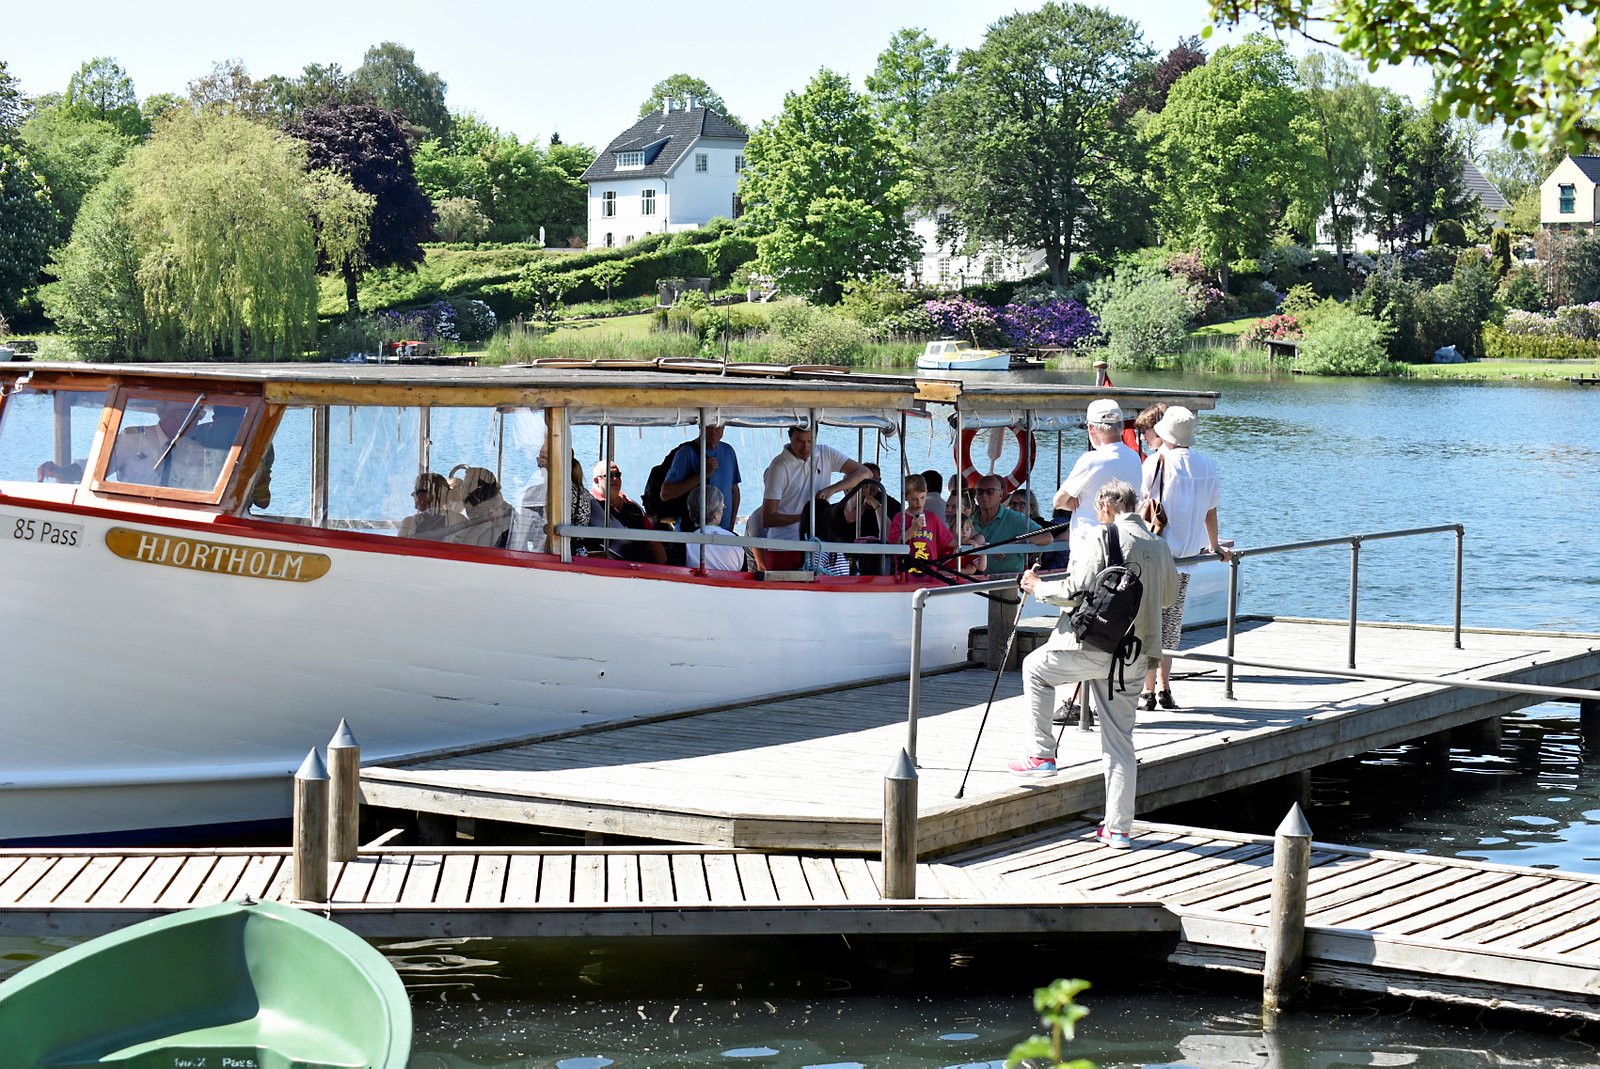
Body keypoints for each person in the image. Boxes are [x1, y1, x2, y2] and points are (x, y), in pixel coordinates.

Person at [1009, 479, 1179, 850]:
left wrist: (1037, 587)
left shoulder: (1104, 535)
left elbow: (1074, 591)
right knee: (1120, 743)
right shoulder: (1159, 543)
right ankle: (1118, 830)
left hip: (1094, 646)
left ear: (1105, 505)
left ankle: (1041, 754)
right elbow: (1168, 597)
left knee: (1035, 668)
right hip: (1134, 657)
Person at [1139, 405, 1228, 712]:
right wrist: (1215, 547)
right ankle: (1164, 687)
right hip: (1188, 558)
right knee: (1171, 624)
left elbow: (1142, 504)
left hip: (1156, 554)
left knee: (1150, 623)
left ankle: (1147, 691)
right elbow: (1210, 513)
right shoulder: (1207, 465)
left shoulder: (1156, 462)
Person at [761, 426, 870, 569]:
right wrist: (804, 518)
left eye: (810, 441)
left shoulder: (826, 454)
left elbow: (865, 472)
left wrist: (833, 489)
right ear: (789, 437)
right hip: (784, 546)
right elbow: (768, 518)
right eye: (799, 441)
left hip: (817, 546)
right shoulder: (779, 466)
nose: (805, 447)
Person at [1054, 399, 1144, 556]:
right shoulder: (1135, 458)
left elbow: (1058, 501)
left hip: (1090, 546)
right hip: (1125, 545)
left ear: (1091, 428)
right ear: (1121, 426)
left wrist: (1071, 502)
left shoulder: (1090, 460)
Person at [510, 443, 591, 552]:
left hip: (545, 556)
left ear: (557, 462)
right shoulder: (584, 493)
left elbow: (520, 539)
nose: (538, 464)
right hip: (576, 556)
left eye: (542, 459)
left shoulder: (535, 494)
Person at [659, 423, 741, 529]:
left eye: (717, 424)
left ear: (723, 427)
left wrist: (731, 525)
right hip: (691, 533)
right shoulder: (686, 453)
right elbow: (665, 493)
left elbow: (735, 491)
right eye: (709, 425)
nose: (713, 429)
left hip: (723, 533)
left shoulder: (728, 451)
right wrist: (702, 475)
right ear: (700, 426)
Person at [586, 460, 666, 564]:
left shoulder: (634, 507)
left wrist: (663, 569)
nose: (615, 479)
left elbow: (654, 543)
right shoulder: (588, 505)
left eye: (618, 475)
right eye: (609, 475)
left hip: (642, 569)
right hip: (606, 570)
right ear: (596, 480)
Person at [970, 474, 1052, 574]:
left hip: (1009, 579)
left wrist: (1014, 543)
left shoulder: (1015, 518)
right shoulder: (969, 521)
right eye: (979, 492)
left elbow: (1047, 537)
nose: (984, 495)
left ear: (1000, 494)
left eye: (990, 491)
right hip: (974, 579)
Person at [887, 473, 955, 572]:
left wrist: (969, 541)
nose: (919, 503)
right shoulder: (900, 518)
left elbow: (948, 541)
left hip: (929, 573)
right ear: (905, 497)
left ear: (926, 492)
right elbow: (895, 545)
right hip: (906, 573)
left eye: (922, 497)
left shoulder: (932, 518)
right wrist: (912, 529)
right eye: (914, 499)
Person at [447, 465, 514, 548]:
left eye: (465, 487)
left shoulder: (492, 526)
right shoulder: (507, 513)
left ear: (479, 493)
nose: (462, 492)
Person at [685, 485, 745, 571]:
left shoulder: (684, 541)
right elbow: (744, 574)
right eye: (722, 508)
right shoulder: (736, 540)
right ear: (716, 514)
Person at [398, 472, 463, 541]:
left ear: (433, 495)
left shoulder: (409, 524)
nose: (413, 494)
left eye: (418, 491)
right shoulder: (460, 521)